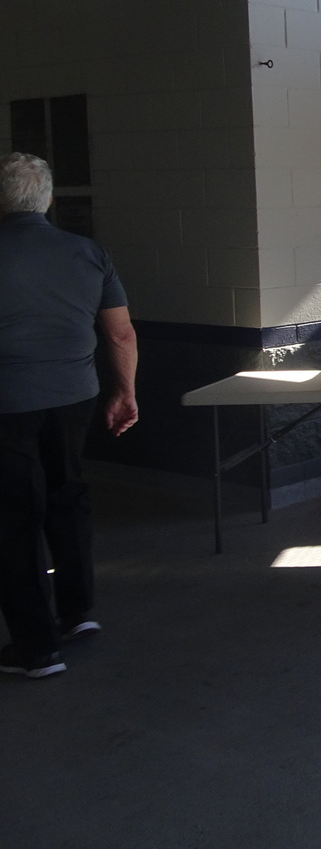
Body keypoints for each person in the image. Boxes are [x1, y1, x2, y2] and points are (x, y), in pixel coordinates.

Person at [0, 152, 137, 679]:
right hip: (74, 396)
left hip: (8, 403)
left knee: (15, 517)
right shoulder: (87, 252)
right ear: (49, 199)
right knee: (67, 494)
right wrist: (126, 392)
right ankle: (78, 613)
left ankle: (36, 649)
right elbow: (120, 333)